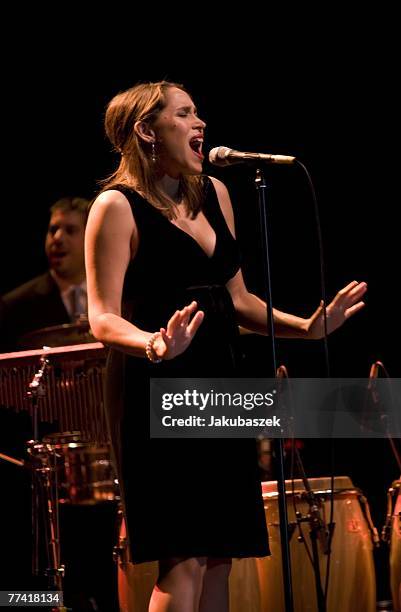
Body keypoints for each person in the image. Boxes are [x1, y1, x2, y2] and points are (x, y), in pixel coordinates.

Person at [85, 80, 367, 612]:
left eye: (198, 113)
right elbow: (100, 317)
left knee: (221, 555)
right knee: (184, 555)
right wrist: (153, 345)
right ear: (146, 130)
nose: (201, 125)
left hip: (219, 381)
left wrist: (306, 327)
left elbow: (237, 299)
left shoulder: (215, 193)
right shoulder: (115, 207)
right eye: (185, 114)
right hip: (158, 385)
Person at [0, 196, 89, 351]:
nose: (58, 238)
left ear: (90, 236)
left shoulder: (120, 296)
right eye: (53, 230)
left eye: (70, 230)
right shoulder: (15, 306)